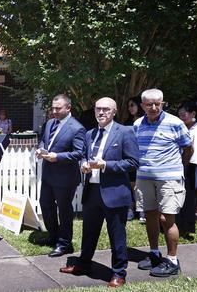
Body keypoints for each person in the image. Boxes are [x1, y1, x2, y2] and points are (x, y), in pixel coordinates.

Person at [59, 97, 139, 288]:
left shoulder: (125, 132)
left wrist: (106, 165)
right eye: (98, 109)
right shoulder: (90, 134)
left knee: (117, 236)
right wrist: (84, 165)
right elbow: (84, 156)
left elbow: (133, 162)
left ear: (114, 112)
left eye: (105, 109)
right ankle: (84, 264)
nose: (101, 113)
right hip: (92, 191)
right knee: (89, 233)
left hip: (114, 193)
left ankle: (119, 273)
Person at [134, 89, 193, 277]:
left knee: (167, 220)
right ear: (142, 105)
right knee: (150, 217)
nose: (153, 107)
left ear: (163, 103)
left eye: (157, 104)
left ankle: (172, 260)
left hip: (169, 179)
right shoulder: (137, 124)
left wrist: (176, 168)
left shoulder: (175, 123)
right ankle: (154, 254)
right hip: (144, 178)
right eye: (149, 104)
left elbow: (188, 148)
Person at [35, 94, 86, 257]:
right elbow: (44, 140)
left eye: (58, 108)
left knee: (64, 210)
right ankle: (53, 236)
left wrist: (58, 157)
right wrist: (41, 149)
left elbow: (79, 153)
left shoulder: (77, 128)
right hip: (49, 174)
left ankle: (65, 243)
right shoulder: (50, 123)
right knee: (45, 205)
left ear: (68, 108)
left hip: (65, 177)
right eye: (53, 108)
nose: (54, 111)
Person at [176, 102, 197, 237]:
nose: (182, 117)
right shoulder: (181, 127)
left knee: (188, 198)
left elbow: (193, 151)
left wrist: (185, 166)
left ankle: (186, 227)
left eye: (184, 114)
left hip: (189, 166)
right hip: (178, 166)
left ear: (193, 114)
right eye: (179, 115)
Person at [124, 96, 144, 222]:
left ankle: (142, 211)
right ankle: (131, 209)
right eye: (129, 106)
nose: (130, 108)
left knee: (141, 185)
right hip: (131, 156)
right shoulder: (127, 122)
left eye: (133, 105)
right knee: (131, 184)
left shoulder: (145, 121)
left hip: (144, 157)